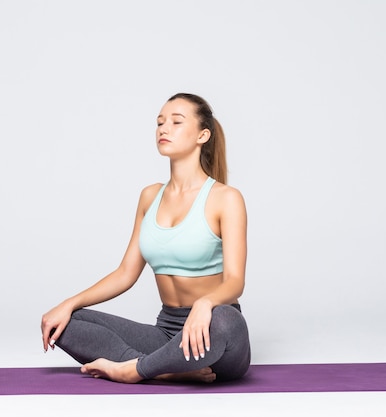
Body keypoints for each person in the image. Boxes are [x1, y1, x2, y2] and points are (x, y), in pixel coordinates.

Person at [40, 93, 250, 384]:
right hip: (165, 335)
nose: (164, 128)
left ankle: (134, 369)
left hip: (213, 335)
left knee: (227, 322)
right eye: (160, 122)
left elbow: (235, 281)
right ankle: (164, 368)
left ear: (203, 135)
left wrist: (205, 305)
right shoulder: (150, 196)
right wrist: (69, 303)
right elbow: (126, 273)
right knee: (64, 323)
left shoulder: (226, 199)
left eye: (176, 122)